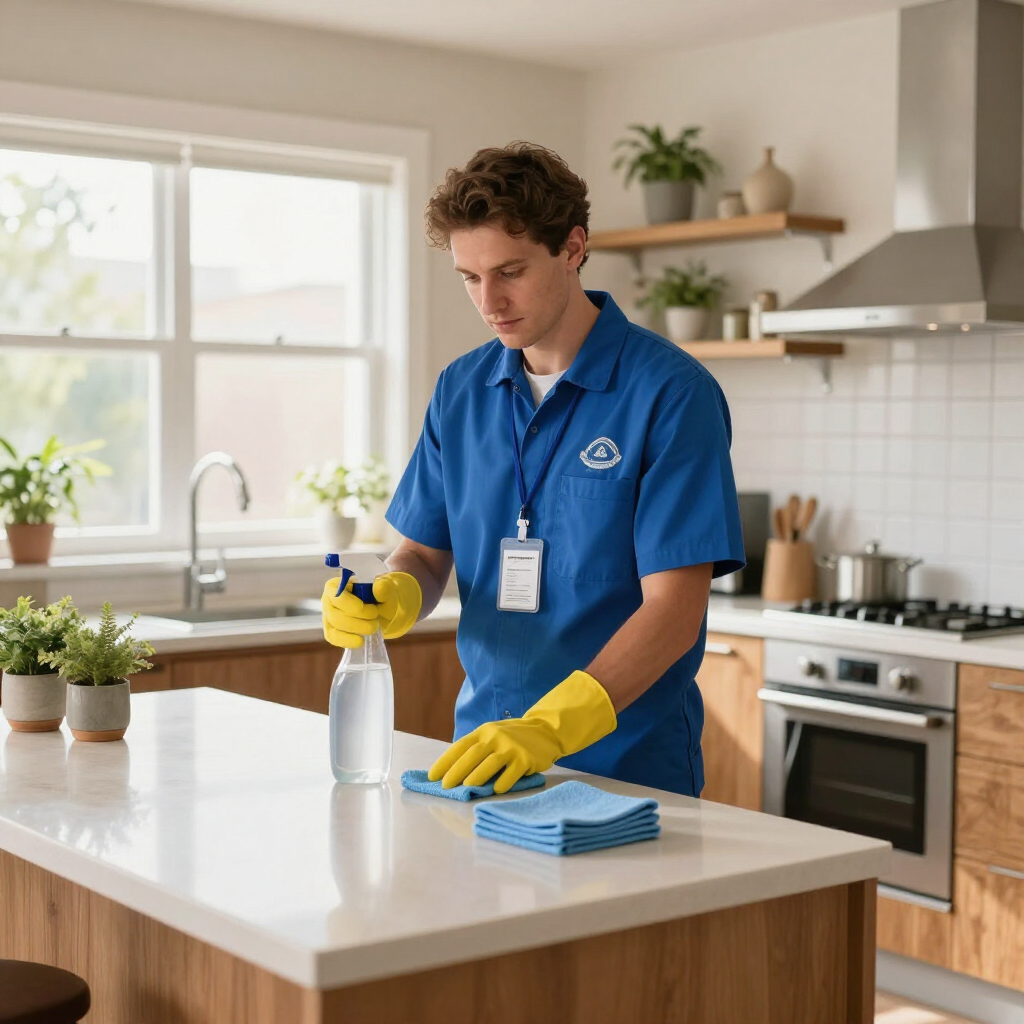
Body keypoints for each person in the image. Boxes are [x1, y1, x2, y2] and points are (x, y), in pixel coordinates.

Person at [321, 142, 744, 797]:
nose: (490, 301)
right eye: (469, 277)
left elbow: (673, 611)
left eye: (510, 271)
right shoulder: (460, 391)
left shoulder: (670, 393)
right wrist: (387, 598)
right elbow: (425, 557)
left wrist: (549, 729)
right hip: (482, 763)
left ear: (573, 247)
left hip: (627, 774)